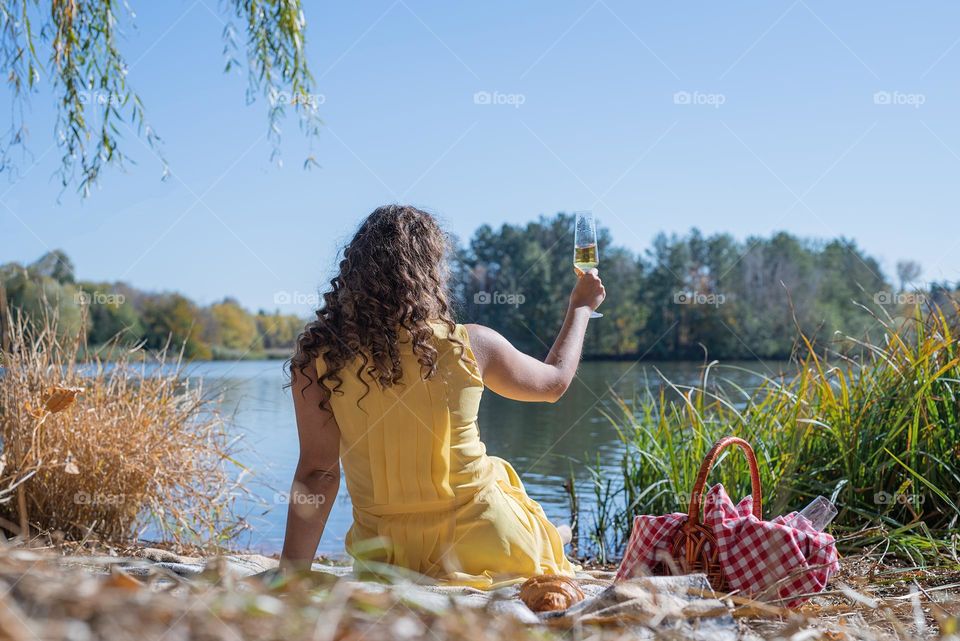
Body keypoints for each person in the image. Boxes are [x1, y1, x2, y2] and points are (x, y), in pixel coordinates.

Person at [280, 205, 605, 588]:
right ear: (429, 273)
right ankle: (554, 536)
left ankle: (555, 534)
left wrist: (291, 575)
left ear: (353, 276)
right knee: (505, 486)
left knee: (507, 484)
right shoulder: (468, 344)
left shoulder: (320, 360)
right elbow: (553, 384)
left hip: (386, 557)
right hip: (485, 542)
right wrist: (580, 308)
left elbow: (318, 474)